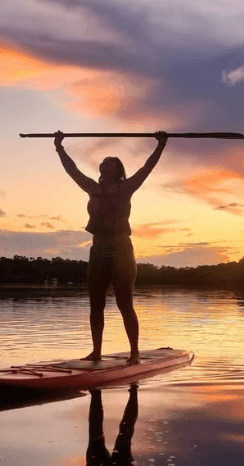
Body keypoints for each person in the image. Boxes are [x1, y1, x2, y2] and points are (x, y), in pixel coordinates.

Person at [54, 130, 168, 365]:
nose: (104, 163)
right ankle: (96, 351)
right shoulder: (91, 188)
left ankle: (134, 352)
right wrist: (59, 146)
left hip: (122, 252)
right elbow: (71, 170)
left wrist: (161, 144)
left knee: (125, 303)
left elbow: (147, 167)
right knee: (96, 304)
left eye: (110, 162)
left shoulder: (127, 188)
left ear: (117, 170)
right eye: (103, 161)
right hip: (98, 251)